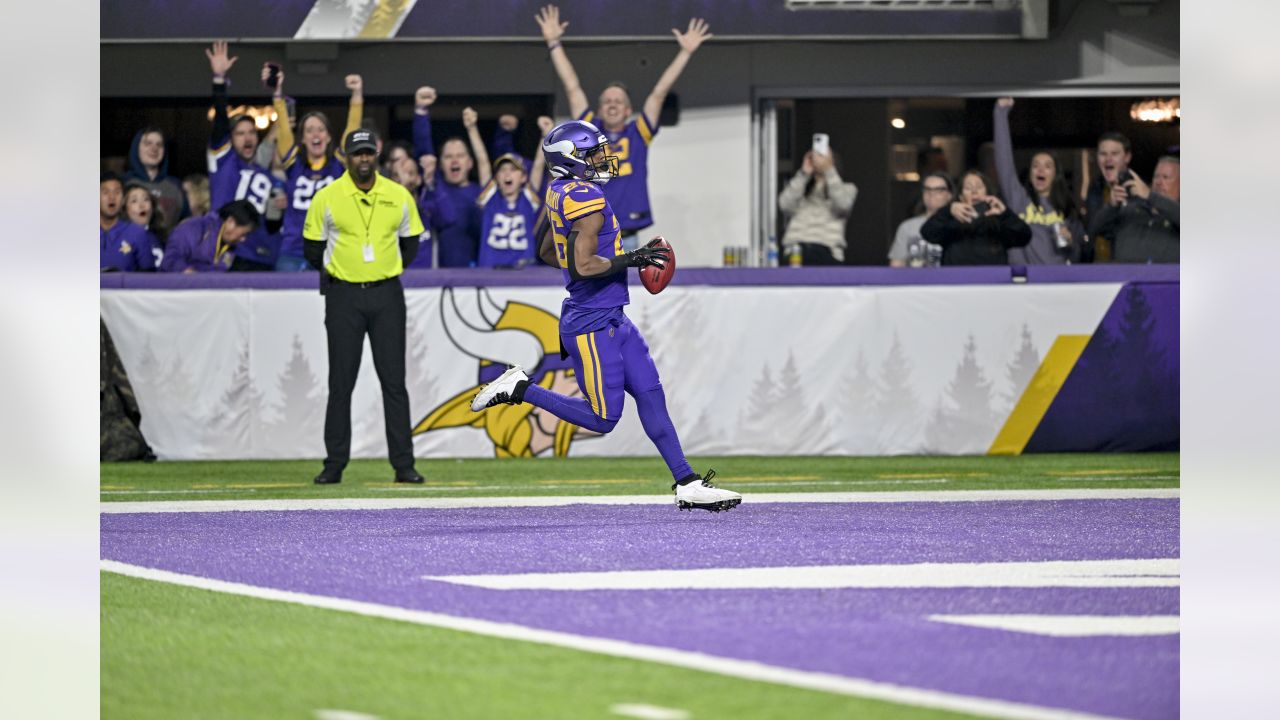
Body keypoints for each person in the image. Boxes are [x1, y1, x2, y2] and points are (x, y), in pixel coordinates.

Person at [470, 120, 741, 512]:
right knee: (602, 418)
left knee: (651, 394)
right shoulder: (586, 199)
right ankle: (520, 388)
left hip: (611, 316)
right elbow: (582, 267)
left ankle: (687, 481)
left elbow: (546, 250)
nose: (602, 158)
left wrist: (604, 259)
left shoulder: (562, 190)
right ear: (571, 159)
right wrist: (632, 258)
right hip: (591, 322)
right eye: (593, 152)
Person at [303, 129, 427, 486]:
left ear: (378, 154)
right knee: (341, 383)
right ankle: (334, 463)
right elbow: (313, 249)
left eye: (368, 153)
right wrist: (342, 274)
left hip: (387, 294)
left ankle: (404, 465)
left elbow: (410, 244)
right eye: (357, 154)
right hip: (344, 295)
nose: (363, 159)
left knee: (394, 382)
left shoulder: (398, 195)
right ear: (346, 156)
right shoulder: (327, 197)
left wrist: (383, 270)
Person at [536, 4, 712, 251]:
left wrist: (685, 53)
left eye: (618, 101)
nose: (612, 105)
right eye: (607, 101)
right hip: (590, 228)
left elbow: (659, 94)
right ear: (599, 109)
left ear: (629, 111)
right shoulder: (590, 129)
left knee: (625, 288)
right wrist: (554, 43)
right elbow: (572, 87)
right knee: (589, 286)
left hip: (627, 232)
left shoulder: (638, 132)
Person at [265, 63, 364, 271]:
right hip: (293, 251)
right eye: (309, 130)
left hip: (331, 251)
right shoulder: (294, 164)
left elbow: (352, 129)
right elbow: (283, 129)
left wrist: (356, 95)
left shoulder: (338, 164)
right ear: (302, 138)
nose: (315, 134)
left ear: (328, 137)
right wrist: (277, 94)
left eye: (320, 130)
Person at [204, 41, 280, 270]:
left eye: (252, 133)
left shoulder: (267, 177)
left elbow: (273, 224)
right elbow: (219, 124)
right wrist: (219, 82)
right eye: (240, 134)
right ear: (231, 138)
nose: (247, 138)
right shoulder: (223, 161)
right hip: (227, 254)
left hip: (263, 258)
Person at [993, 98, 1085, 265]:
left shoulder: (1067, 210)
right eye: (1035, 166)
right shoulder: (1018, 199)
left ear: (1055, 174)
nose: (1040, 170)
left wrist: (1070, 242)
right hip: (1021, 281)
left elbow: (1079, 255)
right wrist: (1000, 113)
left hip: (1054, 281)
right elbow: (1003, 160)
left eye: (1047, 166)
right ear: (1030, 173)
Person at [471, 114, 551, 268]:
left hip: (523, 275)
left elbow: (538, 165)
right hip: (490, 272)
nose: (507, 174)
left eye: (513, 169)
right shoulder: (490, 199)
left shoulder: (528, 199)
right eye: (502, 170)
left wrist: (545, 135)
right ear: (496, 179)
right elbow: (482, 160)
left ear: (523, 178)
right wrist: (472, 128)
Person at [921, 170, 1031, 266]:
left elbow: (1024, 237)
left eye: (979, 187)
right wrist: (948, 211)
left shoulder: (997, 222)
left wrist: (1005, 214)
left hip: (992, 283)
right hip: (957, 283)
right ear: (961, 196)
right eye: (968, 188)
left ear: (987, 193)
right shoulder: (951, 221)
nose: (974, 191)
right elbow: (927, 232)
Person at [1087, 156, 1179, 263]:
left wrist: (1150, 196)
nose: (1159, 182)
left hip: (1167, 278)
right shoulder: (1131, 209)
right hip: (1125, 278)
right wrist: (1112, 206)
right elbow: (1094, 229)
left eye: (1166, 177)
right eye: (1156, 177)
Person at [777, 146, 858, 265]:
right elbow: (784, 204)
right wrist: (804, 174)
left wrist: (829, 170)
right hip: (796, 252)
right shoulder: (801, 190)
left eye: (824, 157)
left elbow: (843, 205)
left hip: (828, 253)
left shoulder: (847, 188)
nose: (819, 160)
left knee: (818, 255)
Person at [159, 200, 260, 273]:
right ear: (230, 222)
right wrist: (195, 280)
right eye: (243, 234)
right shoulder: (193, 228)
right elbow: (170, 260)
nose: (243, 239)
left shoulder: (232, 246)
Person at [123, 127, 188, 236]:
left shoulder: (176, 186)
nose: (154, 148)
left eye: (159, 145)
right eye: (148, 143)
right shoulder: (123, 183)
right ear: (136, 148)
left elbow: (187, 223)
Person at [1082, 131, 1134, 262]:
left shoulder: (1137, 190)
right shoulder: (1094, 189)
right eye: (1103, 154)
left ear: (1127, 157)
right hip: (1096, 268)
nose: (1108, 159)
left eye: (1115, 154)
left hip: (1126, 269)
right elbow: (1091, 229)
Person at [888, 172, 951, 268]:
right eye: (927, 189)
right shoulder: (907, 227)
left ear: (949, 195)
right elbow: (896, 266)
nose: (931, 193)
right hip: (915, 281)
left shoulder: (958, 225)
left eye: (939, 189)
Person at [101, 172, 156, 272]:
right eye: (105, 192)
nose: (112, 197)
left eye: (117, 192)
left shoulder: (137, 233)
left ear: (123, 199)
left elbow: (149, 279)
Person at [124, 182, 166, 268]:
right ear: (124, 209)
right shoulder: (121, 240)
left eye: (146, 199)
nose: (141, 205)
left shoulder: (161, 236)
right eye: (134, 201)